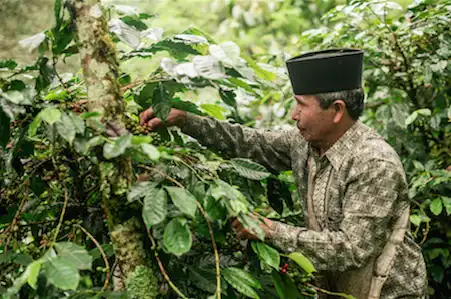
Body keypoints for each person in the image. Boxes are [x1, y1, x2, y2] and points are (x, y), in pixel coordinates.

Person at [139, 49, 428, 299]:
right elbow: (248, 143)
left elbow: (352, 248)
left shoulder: (374, 163)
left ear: (337, 110)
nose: (293, 114)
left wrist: (269, 230)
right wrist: (185, 120)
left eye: (302, 104)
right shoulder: (304, 143)